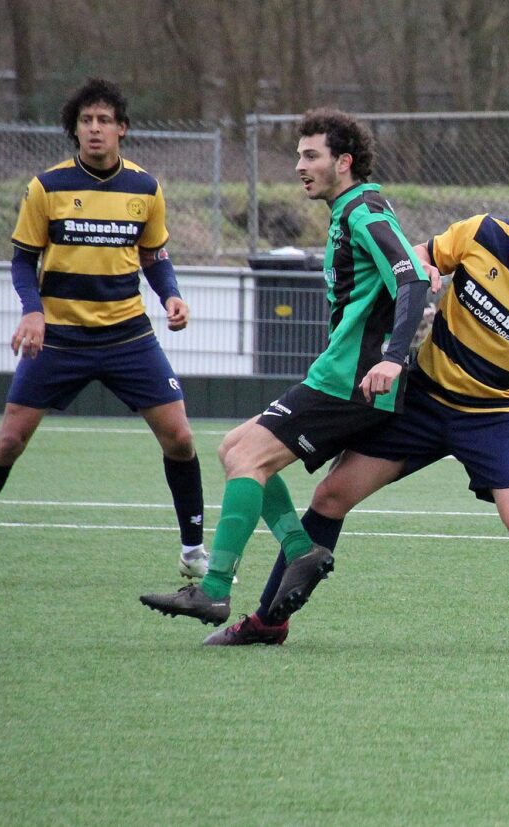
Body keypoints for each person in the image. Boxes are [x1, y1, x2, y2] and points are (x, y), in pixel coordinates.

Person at [208, 190, 509, 654]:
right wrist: (423, 268)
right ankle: (268, 623)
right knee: (330, 495)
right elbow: (420, 256)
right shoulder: (482, 233)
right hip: (423, 400)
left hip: (496, 418)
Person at [138, 108, 433, 631]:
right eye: (299, 155)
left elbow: (410, 280)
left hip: (352, 380)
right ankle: (300, 549)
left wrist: (391, 357)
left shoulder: (364, 210)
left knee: (248, 456)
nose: (300, 165)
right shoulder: (351, 209)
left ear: (343, 162)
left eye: (311, 155)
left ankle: (213, 590)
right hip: (340, 373)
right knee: (234, 447)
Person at [0, 78, 207, 587]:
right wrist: (32, 311)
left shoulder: (146, 189)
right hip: (58, 338)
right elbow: (22, 261)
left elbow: (153, 255)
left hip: (128, 336)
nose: (95, 129)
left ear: (122, 129)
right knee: (10, 439)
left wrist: (169, 293)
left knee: (180, 437)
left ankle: (193, 550)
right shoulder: (47, 187)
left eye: (105, 120)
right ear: (74, 130)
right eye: (86, 121)